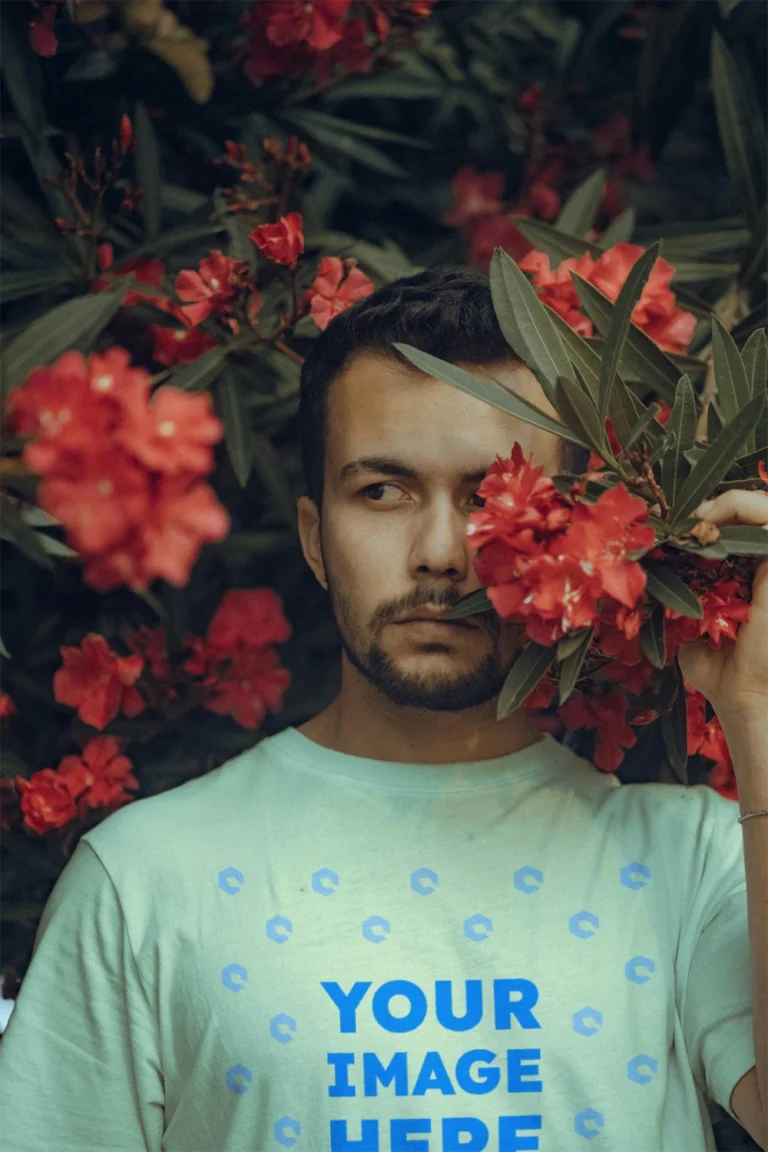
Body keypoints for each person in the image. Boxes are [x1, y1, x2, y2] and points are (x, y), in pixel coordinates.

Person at [0, 266, 758, 1151]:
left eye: (490, 497)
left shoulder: (697, 863)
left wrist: (759, 709)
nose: (440, 553)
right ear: (316, 541)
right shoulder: (143, 880)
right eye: (382, 492)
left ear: (576, 532)